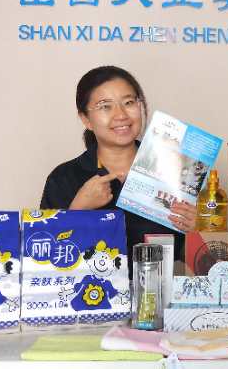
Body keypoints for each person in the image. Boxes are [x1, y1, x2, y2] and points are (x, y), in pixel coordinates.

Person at [40, 65, 195, 263]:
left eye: (128, 102)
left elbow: (195, 260)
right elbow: (44, 258)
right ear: (86, 119)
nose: (121, 115)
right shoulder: (64, 178)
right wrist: (78, 210)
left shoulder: (176, 170)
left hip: (160, 283)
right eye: (105, 106)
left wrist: (199, 231)